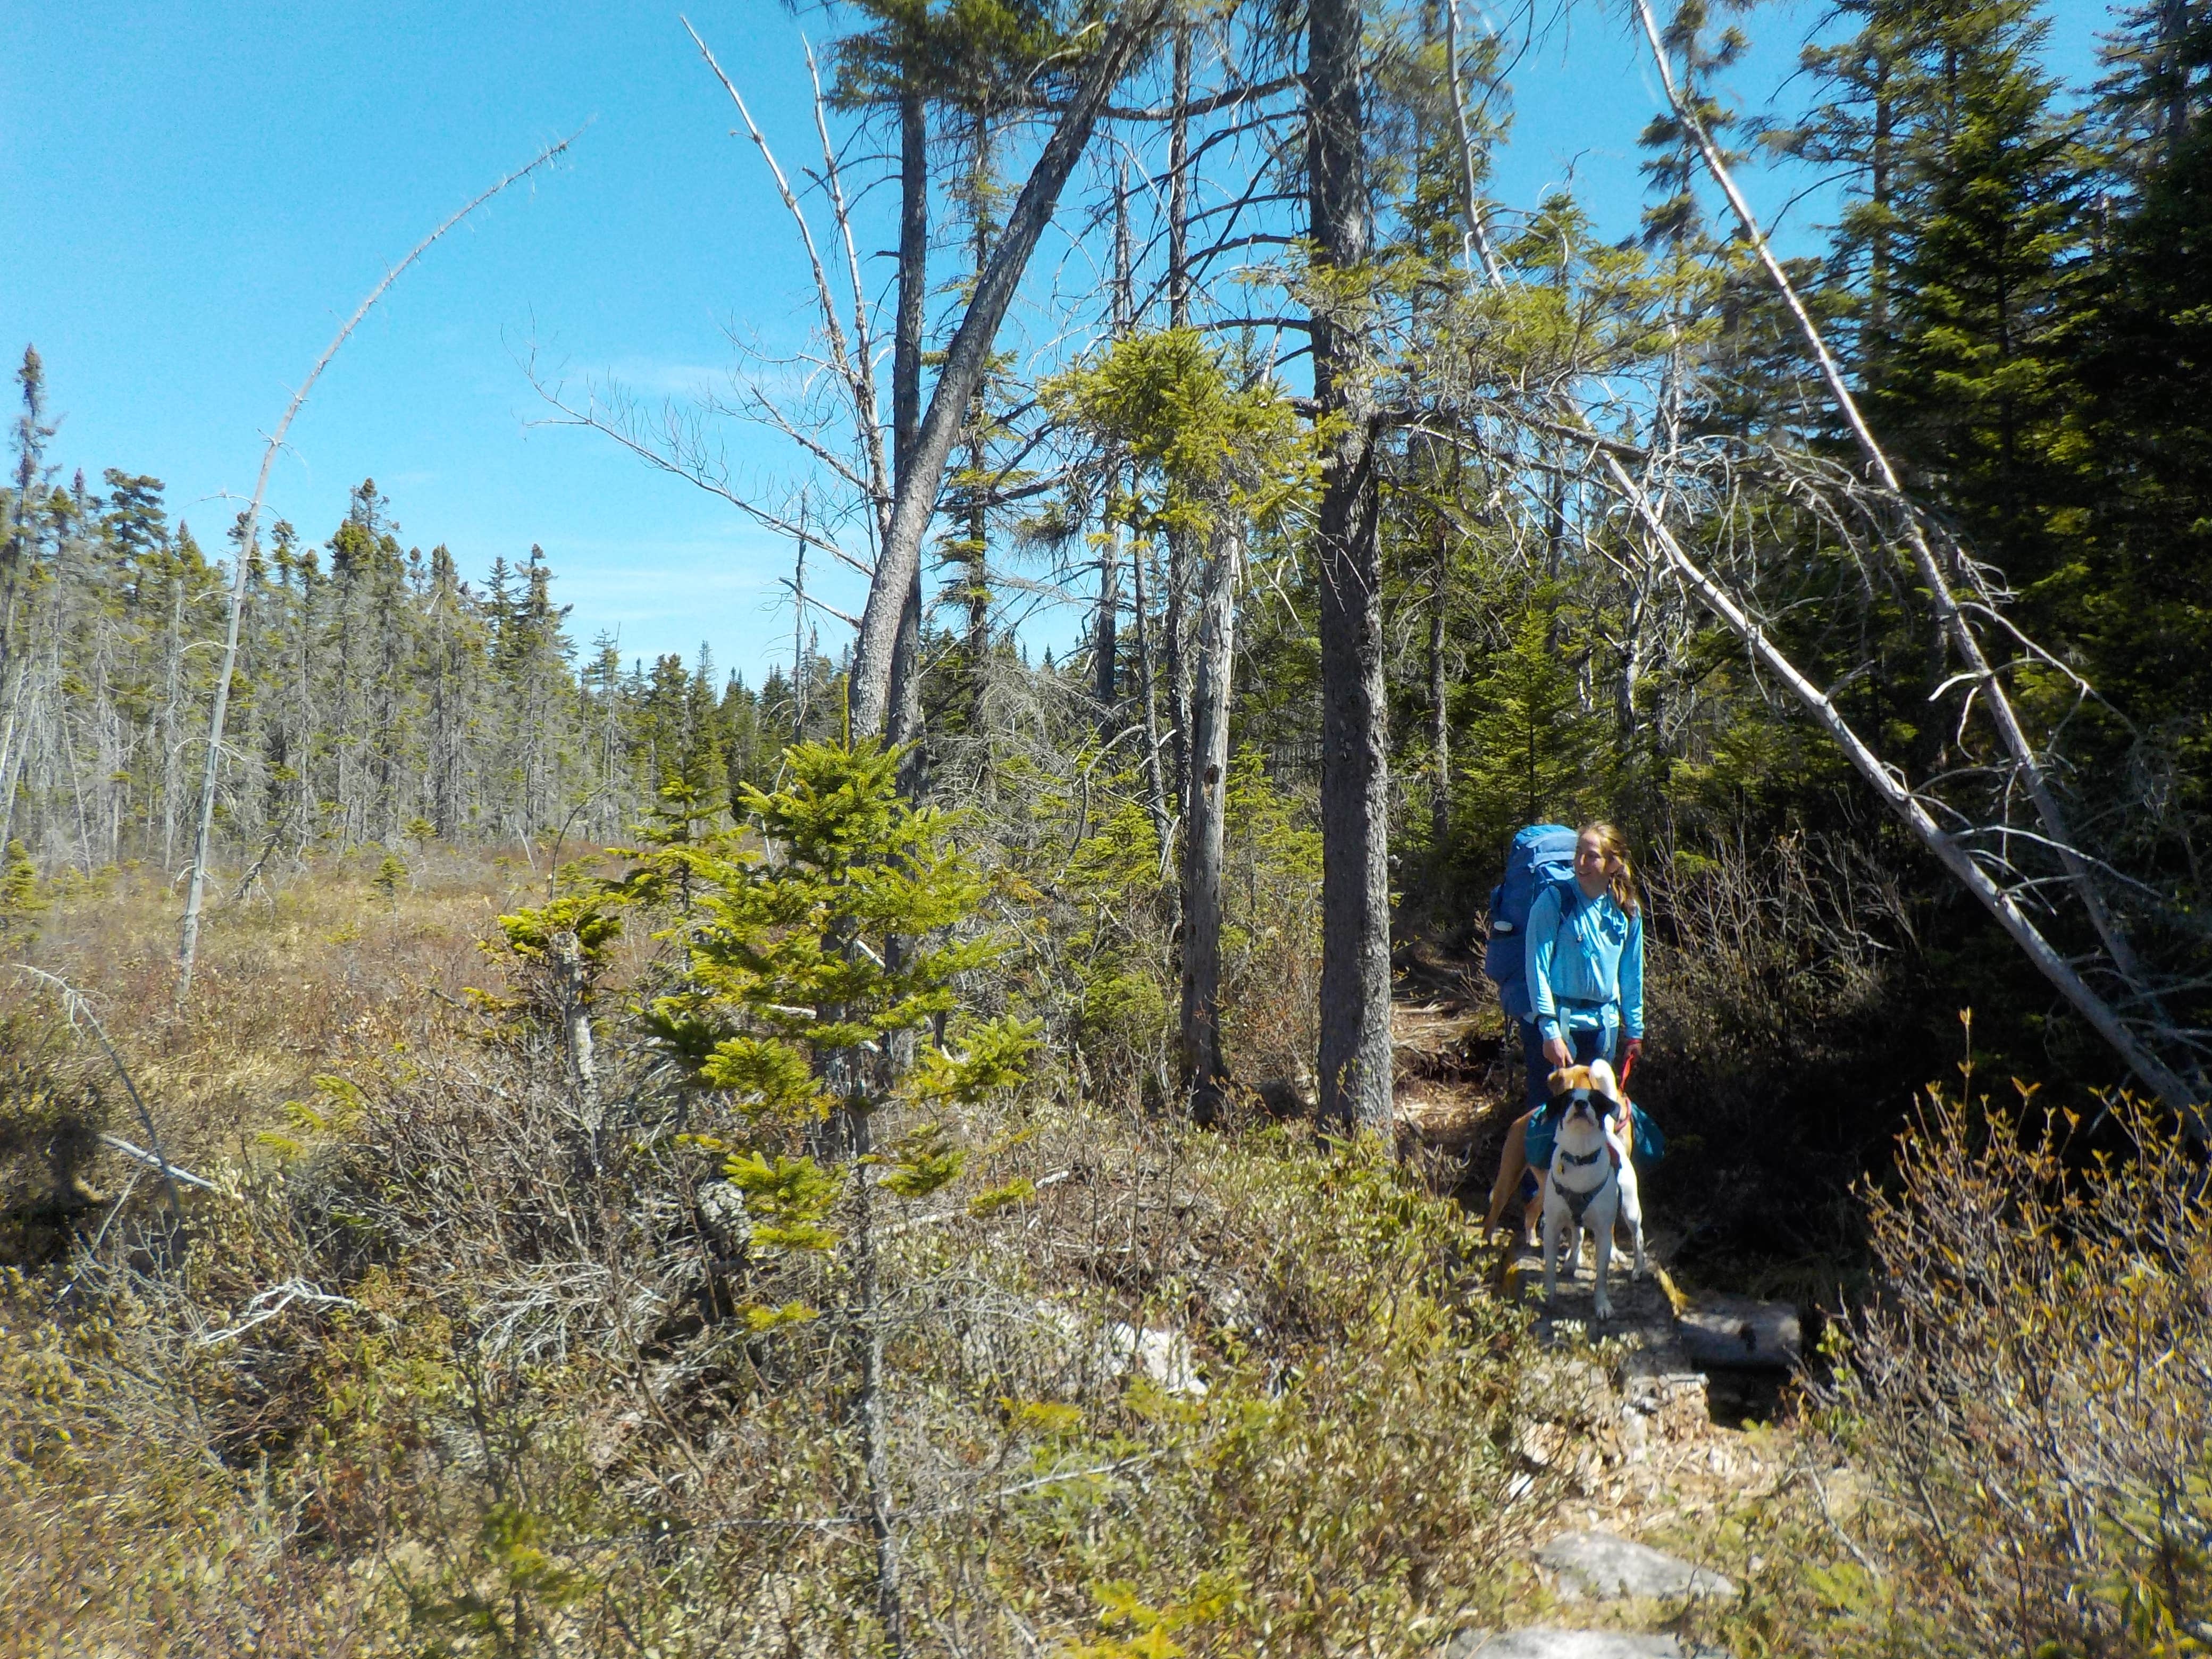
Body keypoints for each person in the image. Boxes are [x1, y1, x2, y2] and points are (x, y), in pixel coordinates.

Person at [1484, 820, 1645, 1240]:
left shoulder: (1626, 911)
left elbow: (1631, 976)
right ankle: (1537, 1217)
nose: (1580, 863)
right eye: (1578, 853)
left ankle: (1584, 1218)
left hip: (1603, 1032)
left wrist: (1636, 1029)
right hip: (1557, 1030)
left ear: (1613, 863)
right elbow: (1536, 968)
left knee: (1594, 1127)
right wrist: (1549, 1029)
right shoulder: (1554, 901)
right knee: (1546, 1126)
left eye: (1591, 855)